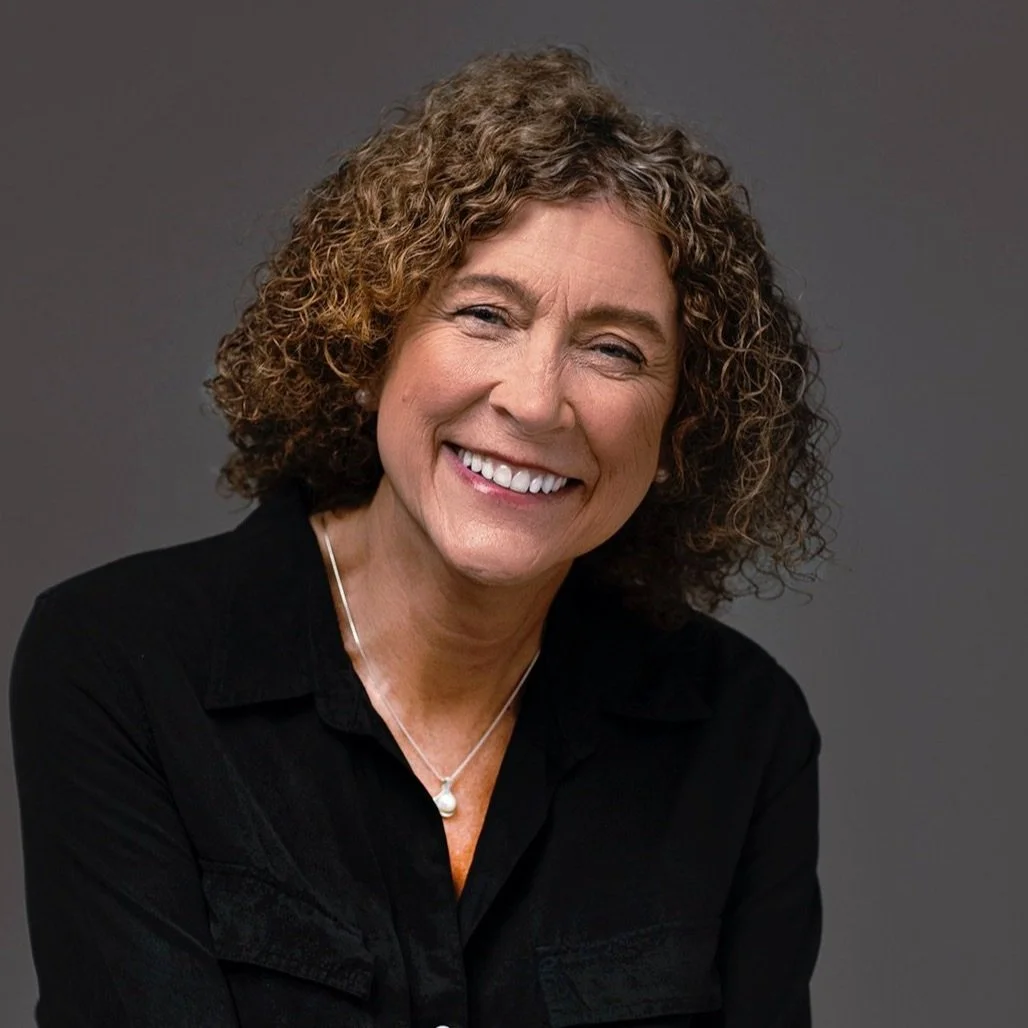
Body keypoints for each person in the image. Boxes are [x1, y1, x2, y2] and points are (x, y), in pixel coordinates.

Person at [10, 47, 831, 1027]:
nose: (533, 399)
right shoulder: (124, 663)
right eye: (484, 313)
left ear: (676, 434)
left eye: (613, 349)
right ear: (368, 344)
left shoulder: (739, 732)